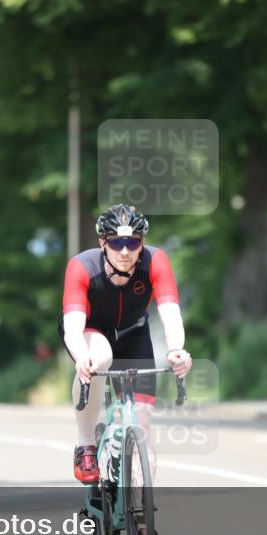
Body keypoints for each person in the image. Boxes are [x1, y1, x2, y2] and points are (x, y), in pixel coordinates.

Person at [60, 204, 193, 488]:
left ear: (141, 243)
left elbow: (170, 313)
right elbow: (72, 326)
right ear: (102, 243)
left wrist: (177, 351)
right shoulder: (83, 266)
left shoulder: (155, 261)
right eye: (116, 242)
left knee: (141, 428)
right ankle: (86, 444)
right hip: (90, 332)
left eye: (132, 242)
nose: (124, 250)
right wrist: (81, 357)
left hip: (134, 335)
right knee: (99, 358)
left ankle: (141, 517)